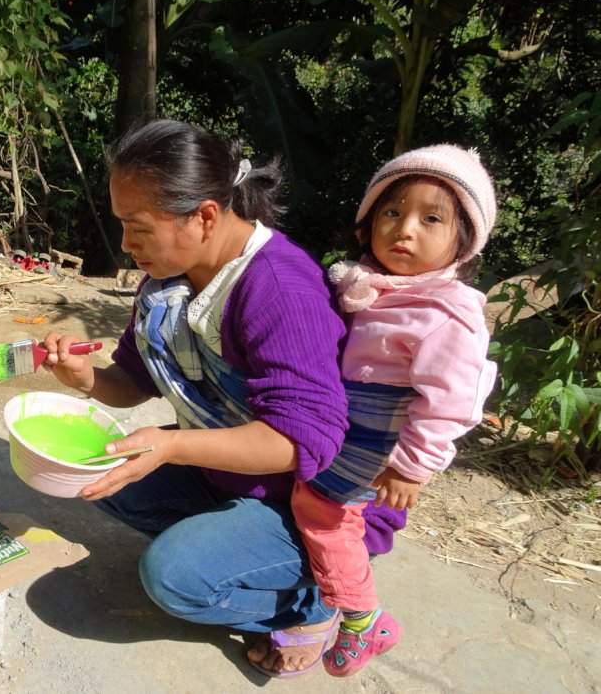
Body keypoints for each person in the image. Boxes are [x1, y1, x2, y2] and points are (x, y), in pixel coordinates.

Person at [40, 118, 402, 678]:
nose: (126, 244)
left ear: (205, 216)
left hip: (312, 505)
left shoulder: (278, 288)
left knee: (172, 577)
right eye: (122, 225)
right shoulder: (168, 279)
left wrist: (171, 447)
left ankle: (312, 604)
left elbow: (303, 443)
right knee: (93, 470)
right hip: (232, 475)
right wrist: (85, 378)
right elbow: (133, 380)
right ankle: (234, 545)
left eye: (138, 227)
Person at [291, 145, 498, 676]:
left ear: (464, 240)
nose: (405, 229)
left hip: (377, 438)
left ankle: (363, 618)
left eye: (431, 219)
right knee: (316, 504)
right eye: (392, 211)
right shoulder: (370, 286)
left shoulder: (447, 311)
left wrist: (412, 467)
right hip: (350, 423)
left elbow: (451, 401)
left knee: (324, 514)